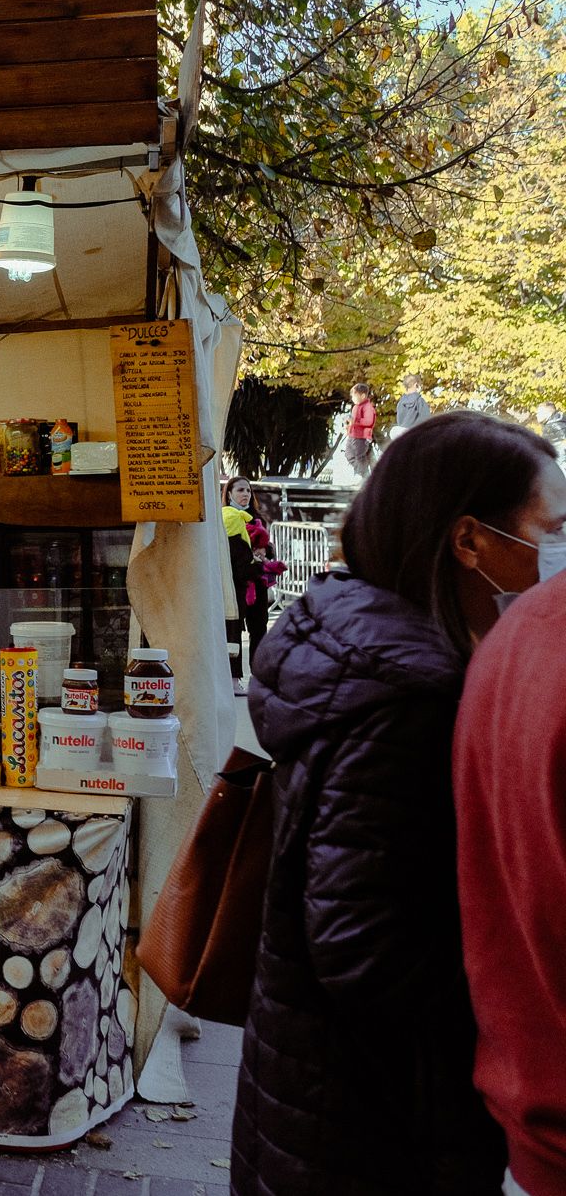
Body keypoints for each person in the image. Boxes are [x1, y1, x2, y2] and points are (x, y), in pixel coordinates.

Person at [230, 411, 562, 1194]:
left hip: (321, 1094)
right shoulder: (412, 695)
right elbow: (361, 943)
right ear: (469, 541)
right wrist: (508, 975)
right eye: (553, 529)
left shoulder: (365, 648)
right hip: (378, 1121)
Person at [453, 456, 566, 1196]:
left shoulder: (513, 632)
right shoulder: (411, 676)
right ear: (467, 537)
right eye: (552, 526)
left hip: (526, 1120)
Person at [222, 477, 281, 693]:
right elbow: (232, 553)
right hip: (237, 582)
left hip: (257, 583)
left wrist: (266, 553)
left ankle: (259, 677)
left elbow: (267, 545)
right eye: (240, 490)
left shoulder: (257, 519)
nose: (245, 494)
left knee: (259, 628)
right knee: (234, 630)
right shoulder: (225, 518)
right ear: (229, 494)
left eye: (248, 490)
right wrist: (252, 561)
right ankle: (233, 679)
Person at [344, 382, 378, 479]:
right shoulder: (355, 407)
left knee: (359, 457)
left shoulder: (367, 407)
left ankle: (364, 476)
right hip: (353, 435)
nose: (353, 398)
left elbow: (368, 421)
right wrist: (349, 427)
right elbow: (353, 421)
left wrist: (355, 421)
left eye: (355, 396)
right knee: (349, 454)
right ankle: (363, 474)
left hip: (362, 437)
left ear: (363, 395)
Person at [392, 373, 430, 440]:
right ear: (416, 385)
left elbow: (399, 421)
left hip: (402, 437)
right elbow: (426, 420)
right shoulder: (420, 401)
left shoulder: (400, 403)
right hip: (417, 436)